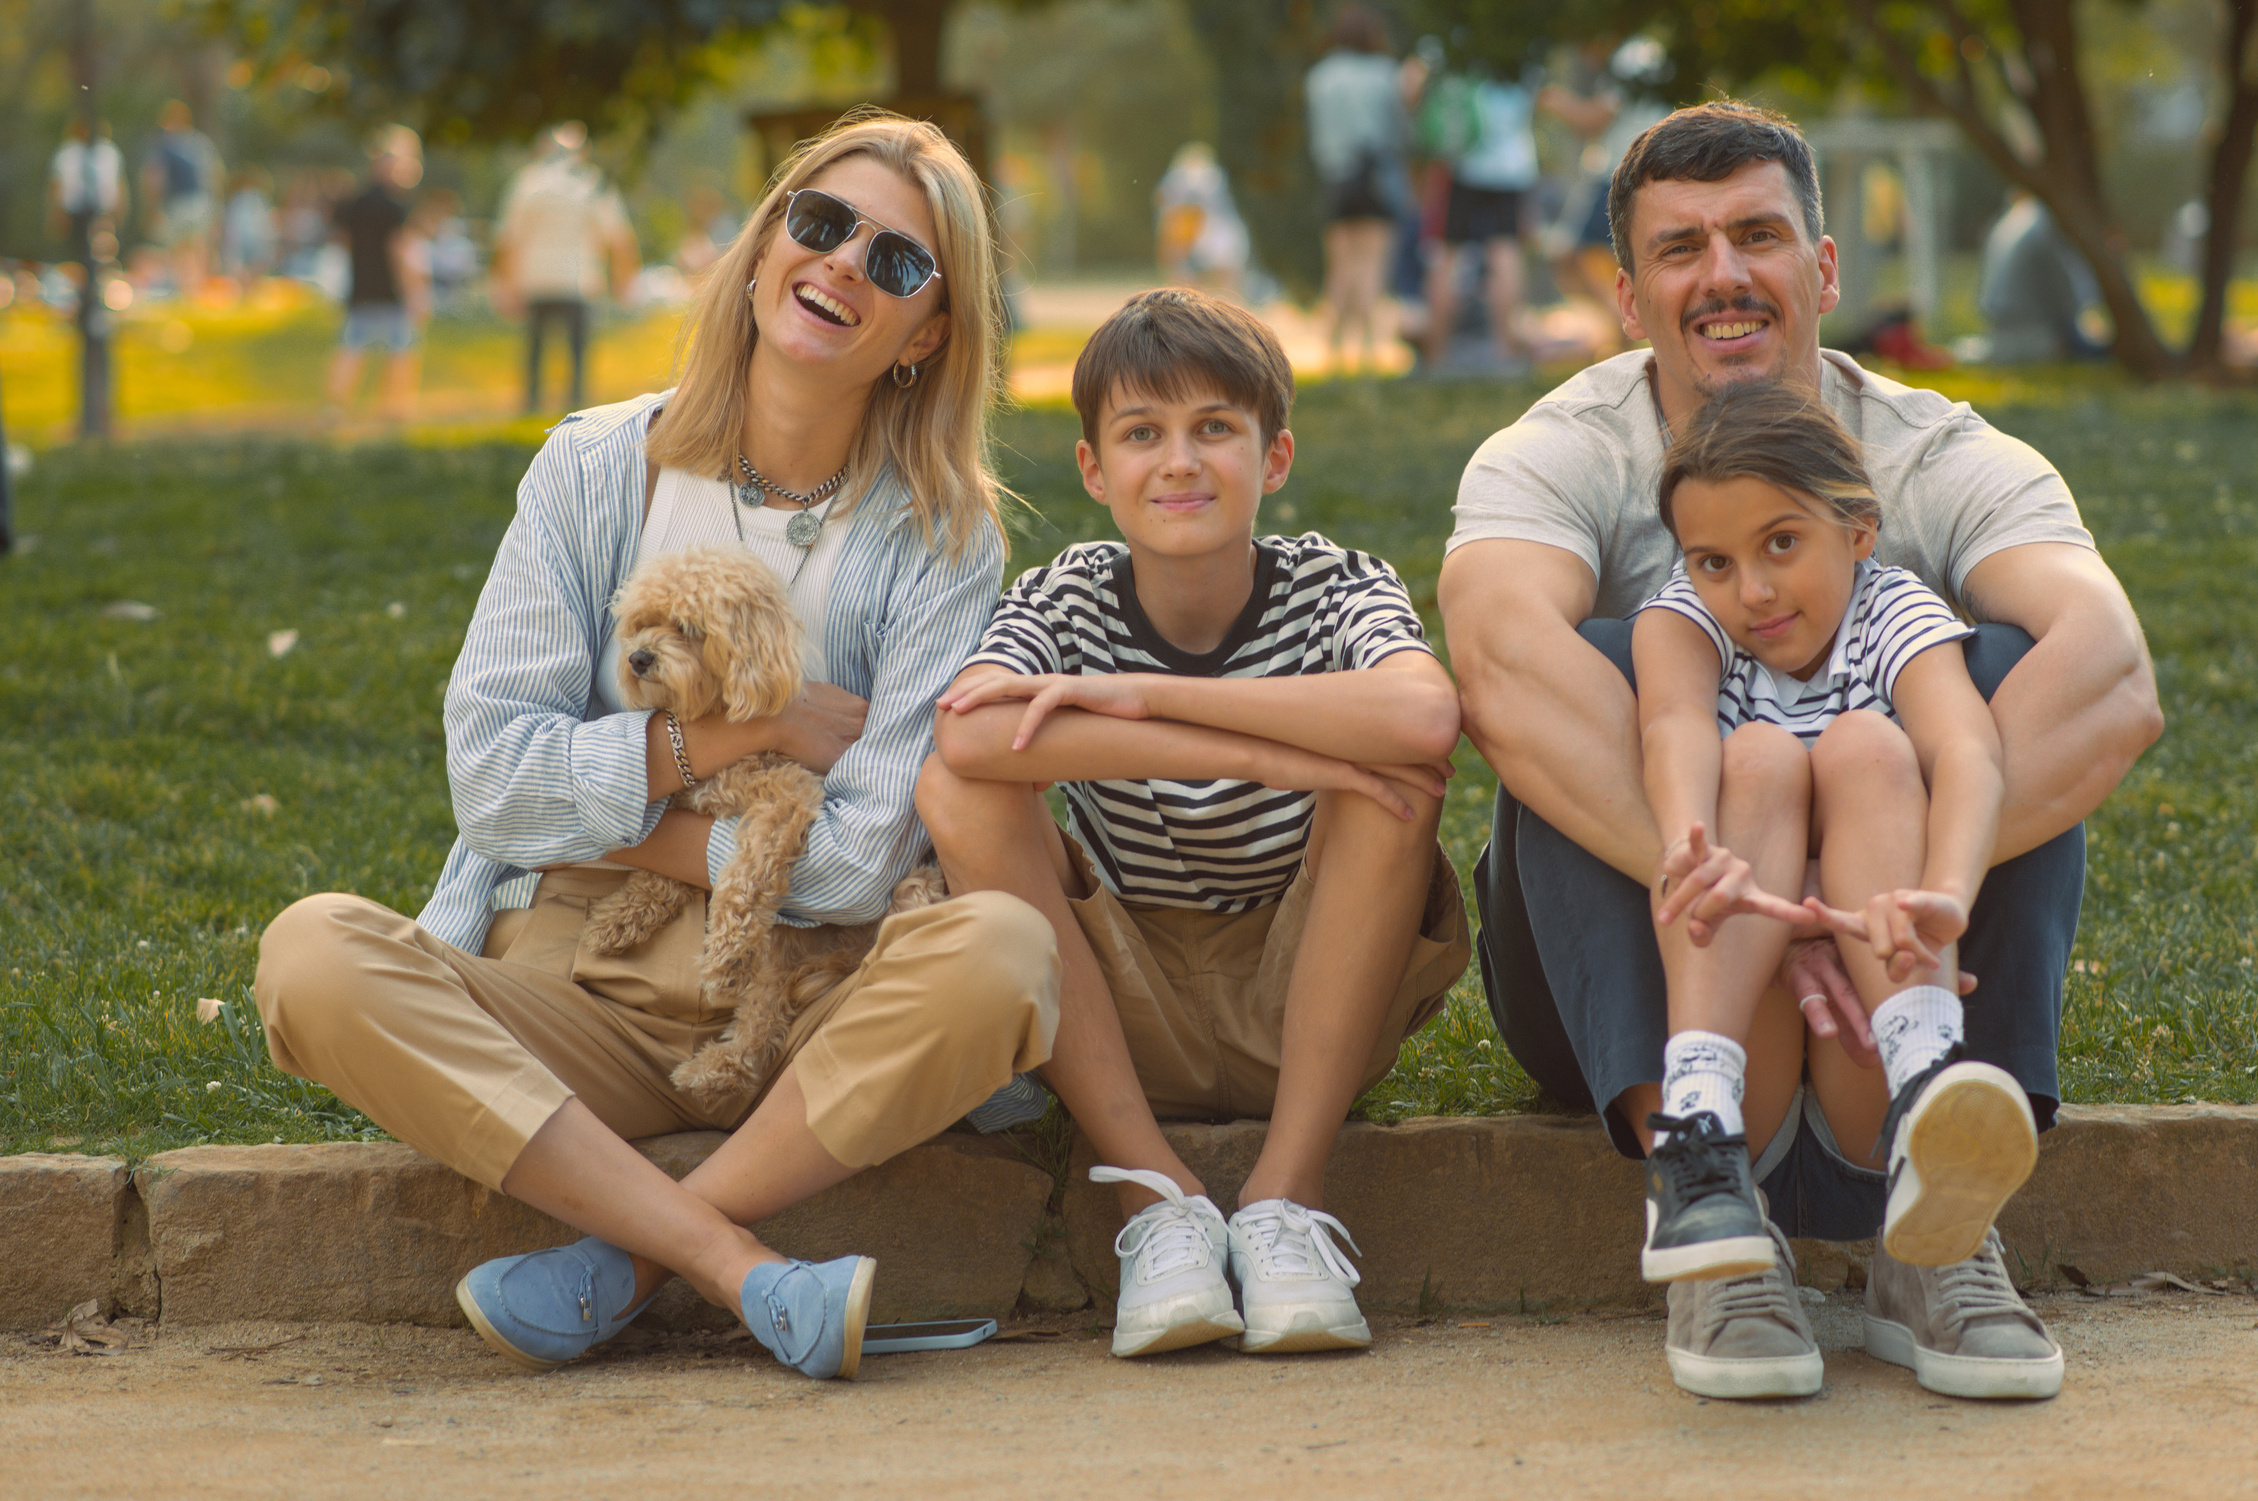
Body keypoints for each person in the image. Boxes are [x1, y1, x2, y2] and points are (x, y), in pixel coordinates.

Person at [253, 113, 1058, 1382]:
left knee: (1004, 951)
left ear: (932, 333)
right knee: (310, 955)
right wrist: (747, 734)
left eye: (899, 263)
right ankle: (742, 1266)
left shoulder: (945, 538)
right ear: (761, 250)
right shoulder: (589, 468)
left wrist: (625, 803)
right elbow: (490, 780)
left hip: (809, 1003)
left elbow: (851, 871)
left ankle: (621, 1261)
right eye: (821, 222)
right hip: (579, 983)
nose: (846, 263)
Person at [1439, 101, 2160, 1402]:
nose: (1723, 275)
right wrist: (1751, 900)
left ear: (1823, 270)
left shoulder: (1931, 454)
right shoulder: (1562, 452)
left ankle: (1937, 1227)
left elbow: (2115, 676)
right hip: (1648, 984)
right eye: (1682, 248)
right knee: (1589, 669)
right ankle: (1704, 1204)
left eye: (1759, 236)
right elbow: (1495, 670)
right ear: (1626, 294)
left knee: (1998, 678)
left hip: (1893, 980)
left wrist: (1869, 909)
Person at [917, 288, 1469, 1360]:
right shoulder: (1067, 596)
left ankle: (1287, 1198)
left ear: (1272, 457)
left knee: (1396, 774)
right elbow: (971, 739)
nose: (1179, 461)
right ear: (1093, 470)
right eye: (1142, 434)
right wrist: (1255, 750)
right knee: (953, 790)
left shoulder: (1333, 583)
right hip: (1120, 1010)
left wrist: (1141, 698)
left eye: (1215, 427)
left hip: (1305, 993)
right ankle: (1152, 1195)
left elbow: (1422, 711)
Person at [1631, 377, 2054, 1399]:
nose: (1753, 591)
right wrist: (1696, 842)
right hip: (1750, 1038)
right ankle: (1700, 1147)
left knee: (1871, 742)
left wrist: (1946, 890)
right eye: (1715, 561)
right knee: (1761, 760)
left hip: (1872, 1017)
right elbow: (1675, 727)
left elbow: (1967, 750)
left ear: (1857, 529)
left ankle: (1925, 1109)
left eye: (1782, 543)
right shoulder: (1680, 621)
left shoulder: (1895, 608)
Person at [494, 121, 639, 415]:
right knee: (577, 356)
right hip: (578, 280)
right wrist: (624, 281)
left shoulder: (528, 182)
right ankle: (575, 410)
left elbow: (509, 239)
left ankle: (532, 408)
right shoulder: (591, 184)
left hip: (536, 280)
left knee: (535, 353)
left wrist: (506, 284)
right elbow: (619, 238)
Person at [1304, 3, 1409, 367]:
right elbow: (1399, 130)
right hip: (1375, 177)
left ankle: (1331, 348)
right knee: (1371, 264)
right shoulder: (1384, 74)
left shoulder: (1320, 77)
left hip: (1336, 178)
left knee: (1339, 266)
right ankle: (1365, 350)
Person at [1540, 36, 1675, 312]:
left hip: (1620, 173)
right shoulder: (1652, 52)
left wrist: (1553, 101)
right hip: (1650, 170)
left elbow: (1594, 119)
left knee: (1571, 254)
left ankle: (1626, 321)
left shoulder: (1630, 58)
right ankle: (1627, 323)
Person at [1422, 67, 1540, 367]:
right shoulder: (1521, 45)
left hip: (1466, 165)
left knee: (1447, 257)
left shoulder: (1465, 39)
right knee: (1506, 254)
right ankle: (1506, 354)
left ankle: (1434, 356)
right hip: (1513, 167)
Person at [325, 128, 430, 422]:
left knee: (350, 349)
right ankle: (395, 410)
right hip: (392, 293)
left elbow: (341, 241)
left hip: (360, 288)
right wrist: (415, 292)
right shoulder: (396, 207)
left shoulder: (354, 202)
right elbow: (401, 252)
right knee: (401, 353)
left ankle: (336, 407)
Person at [1976, 192, 2105, 364]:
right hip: (2037, 336)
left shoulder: (2016, 216)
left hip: (1999, 331)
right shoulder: (2046, 224)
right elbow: (2065, 299)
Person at [1154, 143, 1251, 301]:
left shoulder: (1189, 178)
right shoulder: (1209, 177)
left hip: (1209, 231)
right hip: (1211, 231)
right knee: (1222, 281)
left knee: (1201, 279)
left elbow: (1174, 207)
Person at [145, 101, 223, 295]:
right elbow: (214, 174)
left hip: (178, 203)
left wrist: (152, 207)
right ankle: (197, 288)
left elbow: (156, 178)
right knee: (197, 247)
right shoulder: (199, 142)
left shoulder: (164, 146)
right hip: (199, 202)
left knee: (180, 249)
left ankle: (187, 288)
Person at [48, 118, 125, 251]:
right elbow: (57, 185)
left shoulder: (109, 152)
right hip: (74, 211)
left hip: (103, 212)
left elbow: (118, 184)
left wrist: (119, 211)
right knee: (77, 250)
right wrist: (57, 213)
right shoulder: (67, 153)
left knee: (101, 249)